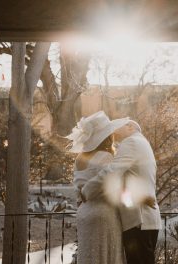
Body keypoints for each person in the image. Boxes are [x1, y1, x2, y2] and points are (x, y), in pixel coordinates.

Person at [81, 120, 162, 264]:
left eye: (117, 127)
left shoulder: (131, 142)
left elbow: (112, 171)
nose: (113, 131)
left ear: (130, 127)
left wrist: (87, 190)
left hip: (139, 220)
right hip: (146, 219)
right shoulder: (142, 143)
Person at [66, 111, 129, 264]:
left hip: (84, 213)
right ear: (106, 136)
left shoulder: (79, 158)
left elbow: (78, 188)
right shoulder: (106, 156)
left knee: (89, 257)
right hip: (104, 212)